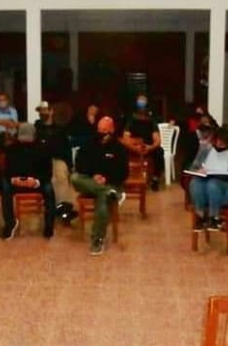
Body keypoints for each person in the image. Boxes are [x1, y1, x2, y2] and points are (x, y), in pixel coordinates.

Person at [71, 117, 130, 256]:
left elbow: (123, 173)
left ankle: (97, 240)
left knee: (102, 205)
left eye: (105, 130)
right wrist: (94, 176)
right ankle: (111, 192)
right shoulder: (89, 144)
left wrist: (106, 178)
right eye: (99, 130)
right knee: (74, 178)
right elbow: (80, 165)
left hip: (110, 182)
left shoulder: (120, 149)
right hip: (91, 182)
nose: (101, 133)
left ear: (112, 130)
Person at [186, 127, 228, 231]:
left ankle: (214, 217)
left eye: (223, 142)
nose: (219, 144)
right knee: (195, 183)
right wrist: (198, 171)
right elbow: (193, 167)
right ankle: (200, 217)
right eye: (217, 141)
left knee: (213, 184)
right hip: (206, 186)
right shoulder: (205, 150)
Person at [2, 123, 55, 240]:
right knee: (5, 187)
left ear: (35, 136)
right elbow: (7, 170)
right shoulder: (12, 149)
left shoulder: (44, 149)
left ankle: (49, 225)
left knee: (49, 189)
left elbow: (48, 173)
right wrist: (13, 179)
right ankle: (10, 223)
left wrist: (36, 181)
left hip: (36, 182)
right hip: (17, 181)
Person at [35, 101, 76, 223]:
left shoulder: (60, 130)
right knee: (54, 176)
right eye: (40, 111)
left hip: (58, 159)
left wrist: (70, 166)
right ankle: (63, 209)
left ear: (51, 111)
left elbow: (66, 149)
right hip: (41, 161)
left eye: (45, 110)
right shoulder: (36, 129)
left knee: (60, 174)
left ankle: (63, 207)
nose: (42, 113)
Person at [122, 93, 162, 191]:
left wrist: (150, 147)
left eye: (143, 102)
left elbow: (157, 140)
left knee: (159, 152)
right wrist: (135, 147)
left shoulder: (151, 120)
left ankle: (155, 179)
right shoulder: (131, 119)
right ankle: (126, 179)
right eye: (140, 102)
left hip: (148, 148)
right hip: (133, 148)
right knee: (121, 151)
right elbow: (125, 138)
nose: (142, 105)